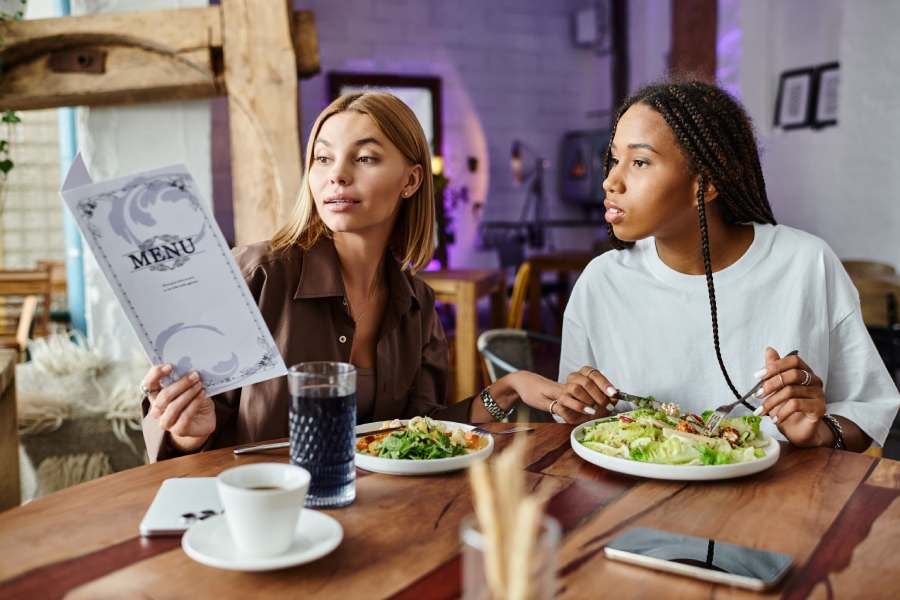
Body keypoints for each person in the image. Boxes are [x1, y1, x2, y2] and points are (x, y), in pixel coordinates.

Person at [140, 92, 569, 462]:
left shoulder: (417, 304)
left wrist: (508, 390)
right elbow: (182, 435)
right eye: (323, 157)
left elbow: (420, 432)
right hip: (258, 519)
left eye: (364, 157)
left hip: (373, 521)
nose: (336, 174)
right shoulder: (257, 275)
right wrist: (187, 431)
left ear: (411, 180)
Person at [555, 80, 899, 451]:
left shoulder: (806, 263)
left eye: (639, 162)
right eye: (614, 159)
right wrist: (578, 407)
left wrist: (820, 430)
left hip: (775, 502)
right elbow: (574, 422)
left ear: (705, 183)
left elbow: (869, 411)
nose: (610, 181)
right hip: (634, 502)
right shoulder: (601, 282)